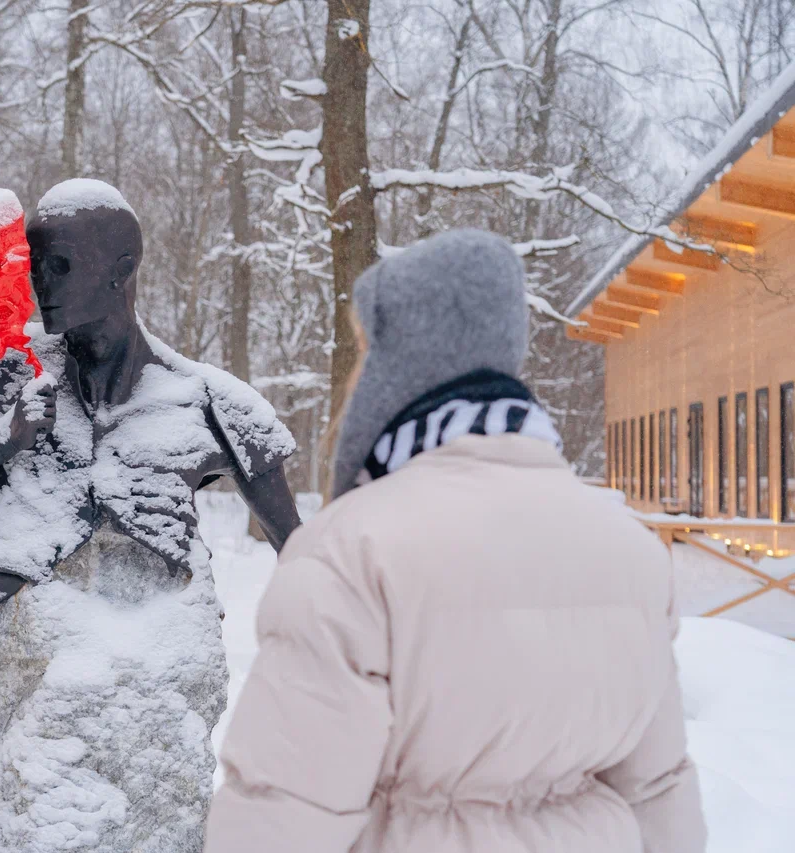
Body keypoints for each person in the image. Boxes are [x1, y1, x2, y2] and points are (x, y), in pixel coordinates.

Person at [204, 229, 706, 853]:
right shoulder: (630, 551)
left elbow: (280, 817)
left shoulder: (352, 554)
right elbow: (659, 793)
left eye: (370, 349)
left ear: (403, 363)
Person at [0, 178, 301, 852]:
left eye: (60, 264)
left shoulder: (212, 407)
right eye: (34, 266)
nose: (41, 283)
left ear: (123, 270)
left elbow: (306, 560)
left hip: (155, 738)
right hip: (22, 735)